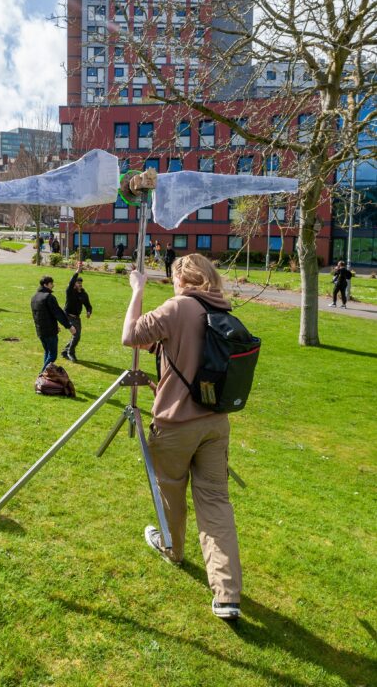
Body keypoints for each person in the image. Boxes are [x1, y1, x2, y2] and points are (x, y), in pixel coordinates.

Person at [122, 253, 242, 620]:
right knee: (216, 504)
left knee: (171, 491)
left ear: (182, 278)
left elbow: (131, 336)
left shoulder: (180, 307)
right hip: (215, 423)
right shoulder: (223, 308)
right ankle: (227, 595)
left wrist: (137, 290)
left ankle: (172, 548)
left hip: (177, 424)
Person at [31, 276, 76, 372]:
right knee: (53, 355)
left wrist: (55, 325)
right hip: (50, 332)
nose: (53, 285)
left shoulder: (34, 297)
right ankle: (41, 375)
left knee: (47, 352)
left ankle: (45, 376)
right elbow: (58, 313)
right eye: (51, 283)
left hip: (40, 330)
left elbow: (41, 314)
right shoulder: (49, 297)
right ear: (45, 285)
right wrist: (69, 326)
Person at [61, 264, 92, 363]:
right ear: (74, 284)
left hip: (76, 317)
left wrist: (88, 311)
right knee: (76, 335)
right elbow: (70, 282)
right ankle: (71, 353)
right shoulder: (70, 291)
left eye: (81, 283)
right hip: (67, 315)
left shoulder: (83, 294)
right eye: (78, 283)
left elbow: (88, 305)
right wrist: (77, 271)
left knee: (77, 335)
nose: (80, 285)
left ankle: (65, 351)